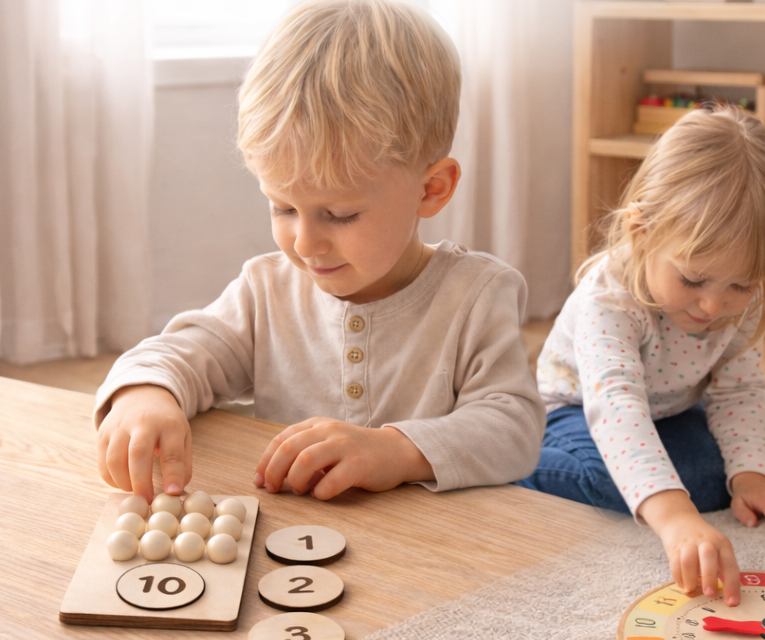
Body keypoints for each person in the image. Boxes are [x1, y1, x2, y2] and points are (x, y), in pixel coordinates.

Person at [94, 0, 545, 506]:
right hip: (294, 537)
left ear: (431, 189)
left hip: (437, 541)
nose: (305, 244)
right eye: (283, 207)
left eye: (340, 214)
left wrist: (396, 450)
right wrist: (146, 393)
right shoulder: (265, 291)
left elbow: (514, 428)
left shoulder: (478, 295)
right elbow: (175, 355)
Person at [516, 106, 765, 607]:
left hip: (670, 409)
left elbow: (739, 392)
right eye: (693, 279)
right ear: (641, 233)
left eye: (740, 286)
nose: (713, 306)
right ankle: (511, 456)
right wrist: (676, 520)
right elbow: (617, 407)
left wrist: (751, 477)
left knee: (720, 476)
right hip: (577, 412)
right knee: (653, 488)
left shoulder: (741, 294)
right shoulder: (607, 299)